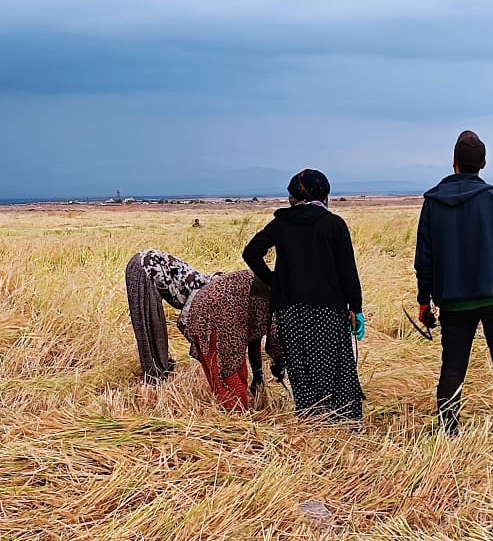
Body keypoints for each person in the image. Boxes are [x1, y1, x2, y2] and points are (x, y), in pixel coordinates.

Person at [415, 130, 493, 435]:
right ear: (484, 163)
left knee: (452, 368)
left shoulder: (433, 202)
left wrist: (424, 301)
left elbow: (424, 257)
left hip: (453, 301)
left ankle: (449, 432)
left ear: (454, 162)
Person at [244, 169, 364, 423]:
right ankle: (344, 422)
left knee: (301, 367)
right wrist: (356, 307)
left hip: (291, 311)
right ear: (324, 194)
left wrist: (275, 281)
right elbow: (348, 272)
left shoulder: (281, 224)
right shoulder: (334, 225)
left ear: (294, 197)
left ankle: (309, 422)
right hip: (329, 309)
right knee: (337, 366)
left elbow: (251, 253)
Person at [177, 269, 277, 411]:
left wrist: (258, 372)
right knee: (229, 373)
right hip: (215, 316)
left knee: (222, 373)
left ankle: (234, 414)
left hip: (202, 310)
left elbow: (254, 335)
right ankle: (237, 419)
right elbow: (276, 339)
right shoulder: (277, 295)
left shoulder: (262, 286)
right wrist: (278, 363)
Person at [124, 249, 215, 384]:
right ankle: (156, 374)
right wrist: (202, 350)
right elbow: (183, 322)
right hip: (146, 269)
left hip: (139, 264)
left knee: (149, 326)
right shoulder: (203, 291)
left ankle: (157, 369)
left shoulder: (205, 284)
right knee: (152, 328)